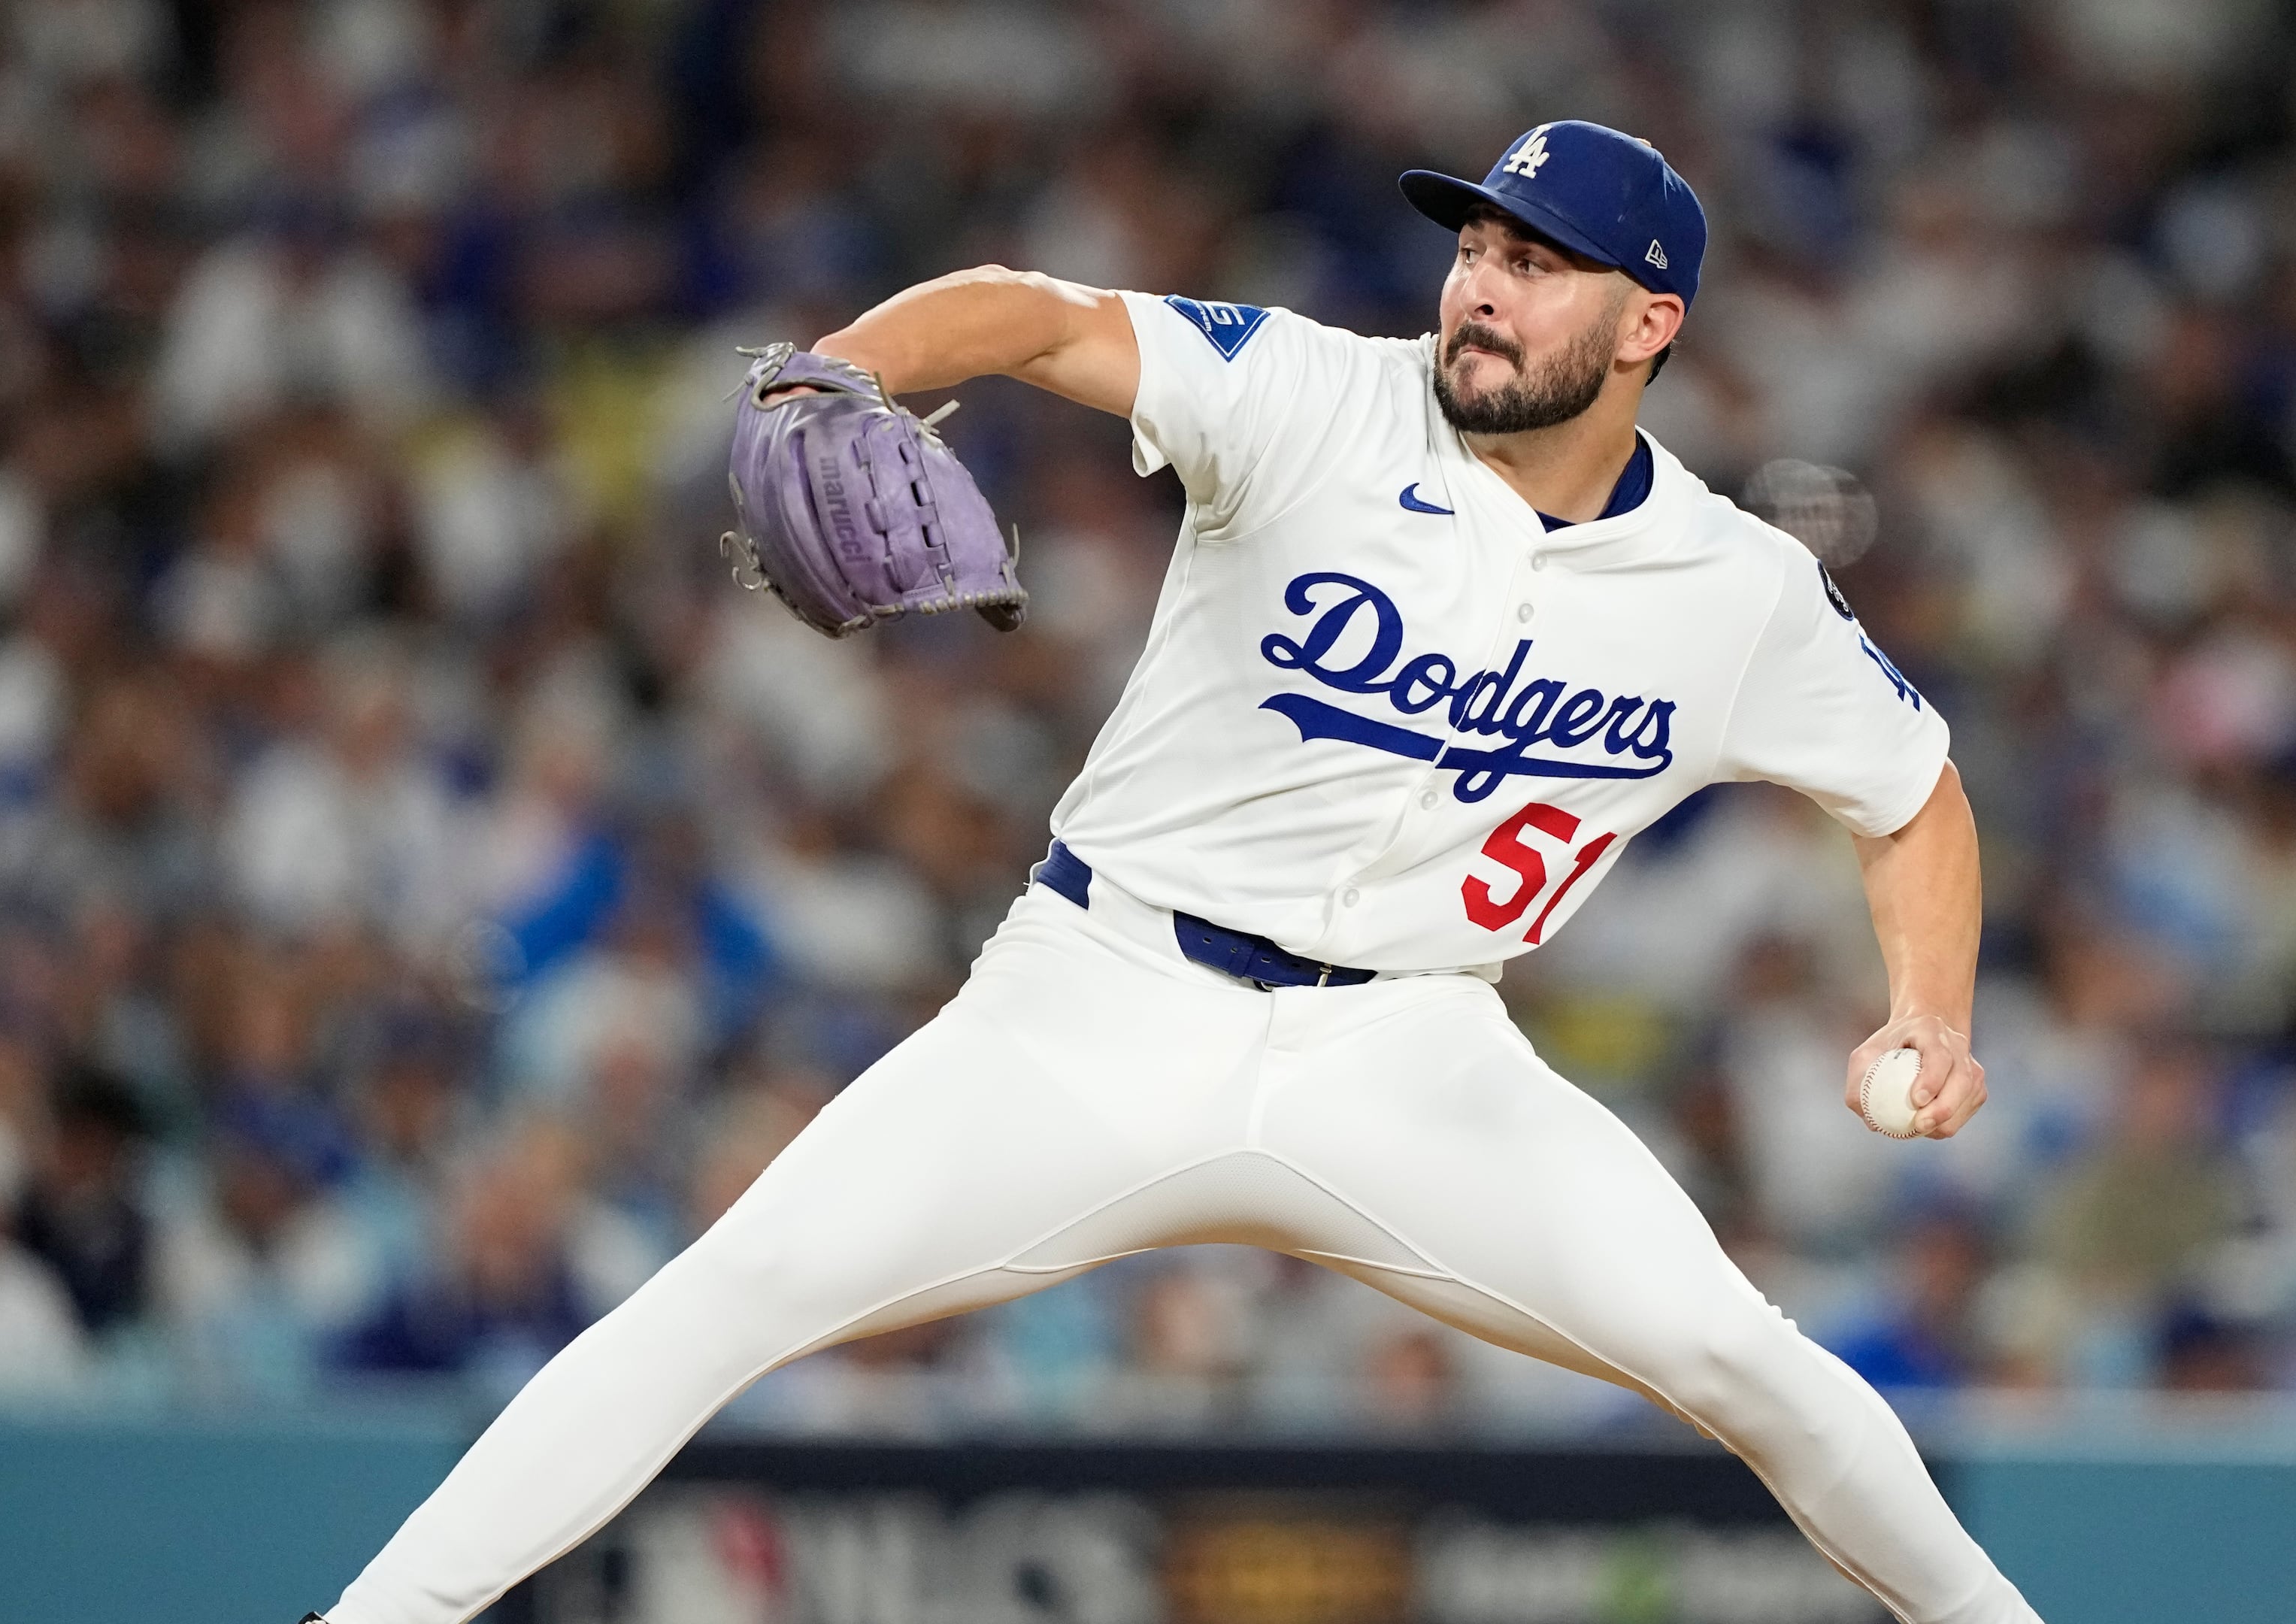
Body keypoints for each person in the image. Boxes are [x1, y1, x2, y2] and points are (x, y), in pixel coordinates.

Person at [314, 121, 2035, 1624]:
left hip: (1412, 1057)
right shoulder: (1310, 392)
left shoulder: (1730, 587)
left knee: (1753, 1364)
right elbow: (1046, 315)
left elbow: (1914, 790)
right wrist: (848, 360)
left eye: (1544, 264)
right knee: (726, 1296)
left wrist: (1930, 1010)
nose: (1485, 287)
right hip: (1099, 1001)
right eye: (1478, 246)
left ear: (1651, 323)